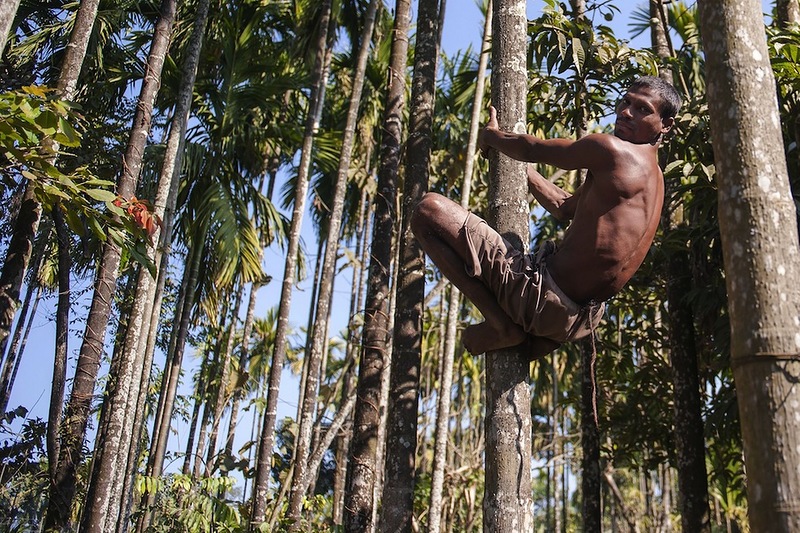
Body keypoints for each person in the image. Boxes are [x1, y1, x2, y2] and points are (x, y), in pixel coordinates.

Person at [410, 76, 681, 358]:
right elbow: (563, 206)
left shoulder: (612, 150)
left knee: (427, 210)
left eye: (642, 109)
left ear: (666, 124)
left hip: (538, 297)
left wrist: (491, 136)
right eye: (625, 102)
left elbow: (531, 149)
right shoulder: (653, 180)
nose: (626, 112)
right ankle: (523, 329)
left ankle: (501, 325)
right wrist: (522, 173)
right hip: (574, 323)